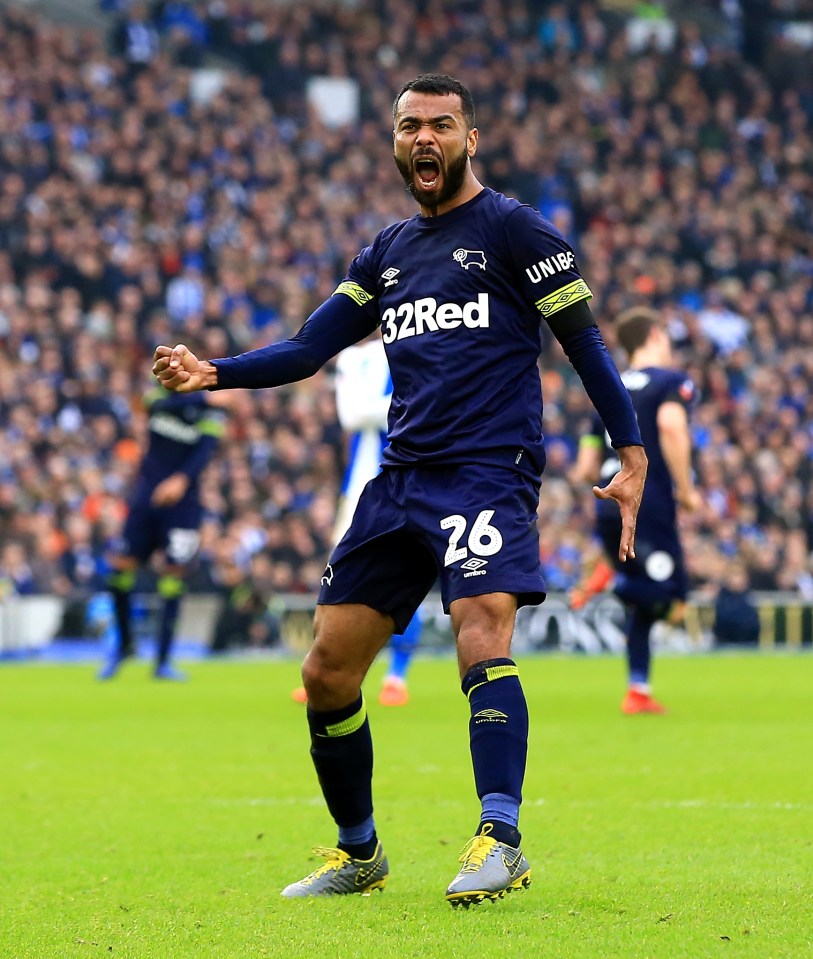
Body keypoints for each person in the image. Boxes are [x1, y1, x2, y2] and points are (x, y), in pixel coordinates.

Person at [152, 74, 647, 906]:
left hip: (489, 471)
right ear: (393, 139)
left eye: (441, 126)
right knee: (326, 670)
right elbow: (310, 348)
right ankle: (360, 854)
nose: (424, 138)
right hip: (401, 478)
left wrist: (628, 449)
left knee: (482, 632)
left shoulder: (514, 230)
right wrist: (214, 372)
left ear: (468, 139)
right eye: (410, 125)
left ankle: (500, 839)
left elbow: (585, 342)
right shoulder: (384, 253)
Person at [571, 307, 700, 714]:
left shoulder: (609, 387)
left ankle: (637, 690)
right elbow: (672, 428)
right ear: (656, 336)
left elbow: (585, 466)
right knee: (672, 593)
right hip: (648, 502)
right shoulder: (671, 382)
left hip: (609, 503)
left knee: (643, 605)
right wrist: (686, 489)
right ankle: (611, 583)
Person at [291, 336, 422, 708]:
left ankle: (396, 677)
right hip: (362, 482)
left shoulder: (420, 341)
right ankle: (326, 667)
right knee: (342, 577)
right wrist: (411, 402)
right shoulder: (352, 356)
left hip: (411, 477)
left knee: (407, 576)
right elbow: (351, 416)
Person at [98, 387, 227, 680]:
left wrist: (180, 481)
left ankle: (163, 660)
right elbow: (148, 401)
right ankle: (125, 645)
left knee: (173, 577)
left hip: (183, 505)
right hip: (145, 498)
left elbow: (205, 451)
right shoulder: (162, 396)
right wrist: (204, 397)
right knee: (119, 569)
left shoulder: (209, 414)